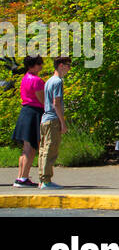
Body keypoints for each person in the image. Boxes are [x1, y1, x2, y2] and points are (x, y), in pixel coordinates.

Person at [10, 56, 44, 187]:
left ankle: (21, 176)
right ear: (32, 65)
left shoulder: (25, 78)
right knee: (31, 148)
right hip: (34, 113)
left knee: (26, 147)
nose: (41, 66)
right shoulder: (37, 80)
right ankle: (23, 177)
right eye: (39, 64)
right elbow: (42, 100)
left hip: (25, 112)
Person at [37, 57, 71, 189]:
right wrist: (63, 123)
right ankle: (46, 180)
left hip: (45, 119)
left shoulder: (49, 81)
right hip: (52, 120)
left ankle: (42, 178)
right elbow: (56, 103)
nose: (69, 69)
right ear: (61, 65)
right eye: (68, 66)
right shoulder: (57, 82)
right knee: (51, 150)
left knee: (43, 150)